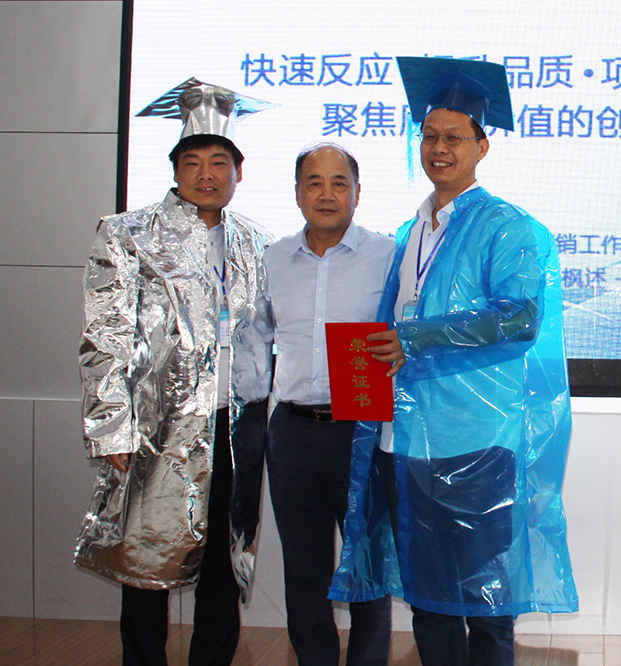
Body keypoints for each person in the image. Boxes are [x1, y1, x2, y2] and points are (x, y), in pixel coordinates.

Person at [329, 58, 578, 666]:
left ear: (481, 147)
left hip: (474, 440)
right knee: (428, 596)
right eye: (430, 136)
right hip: (405, 440)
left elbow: (520, 317)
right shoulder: (409, 230)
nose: (440, 149)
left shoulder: (507, 227)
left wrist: (416, 336)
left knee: (488, 602)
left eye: (455, 138)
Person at [75, 78, 274, 666]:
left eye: (219, 163)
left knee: (225, 562)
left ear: (239, 172)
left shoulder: (256, 241)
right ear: (175, 170)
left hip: (236, 428)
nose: (206, 175)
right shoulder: (128, 235)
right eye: (193, 162)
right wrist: (111, 428)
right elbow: (105, 337)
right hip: (156, 431)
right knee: (146, 560)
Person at [262, 143, 395, 666]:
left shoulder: (388, 256)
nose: (326, 193)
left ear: (358, 193)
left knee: (367, 565)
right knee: (304, 568)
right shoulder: (272, 259)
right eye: (314, 182)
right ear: (297, 193)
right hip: (292, 431)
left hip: (361, 429)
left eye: (340, 183)